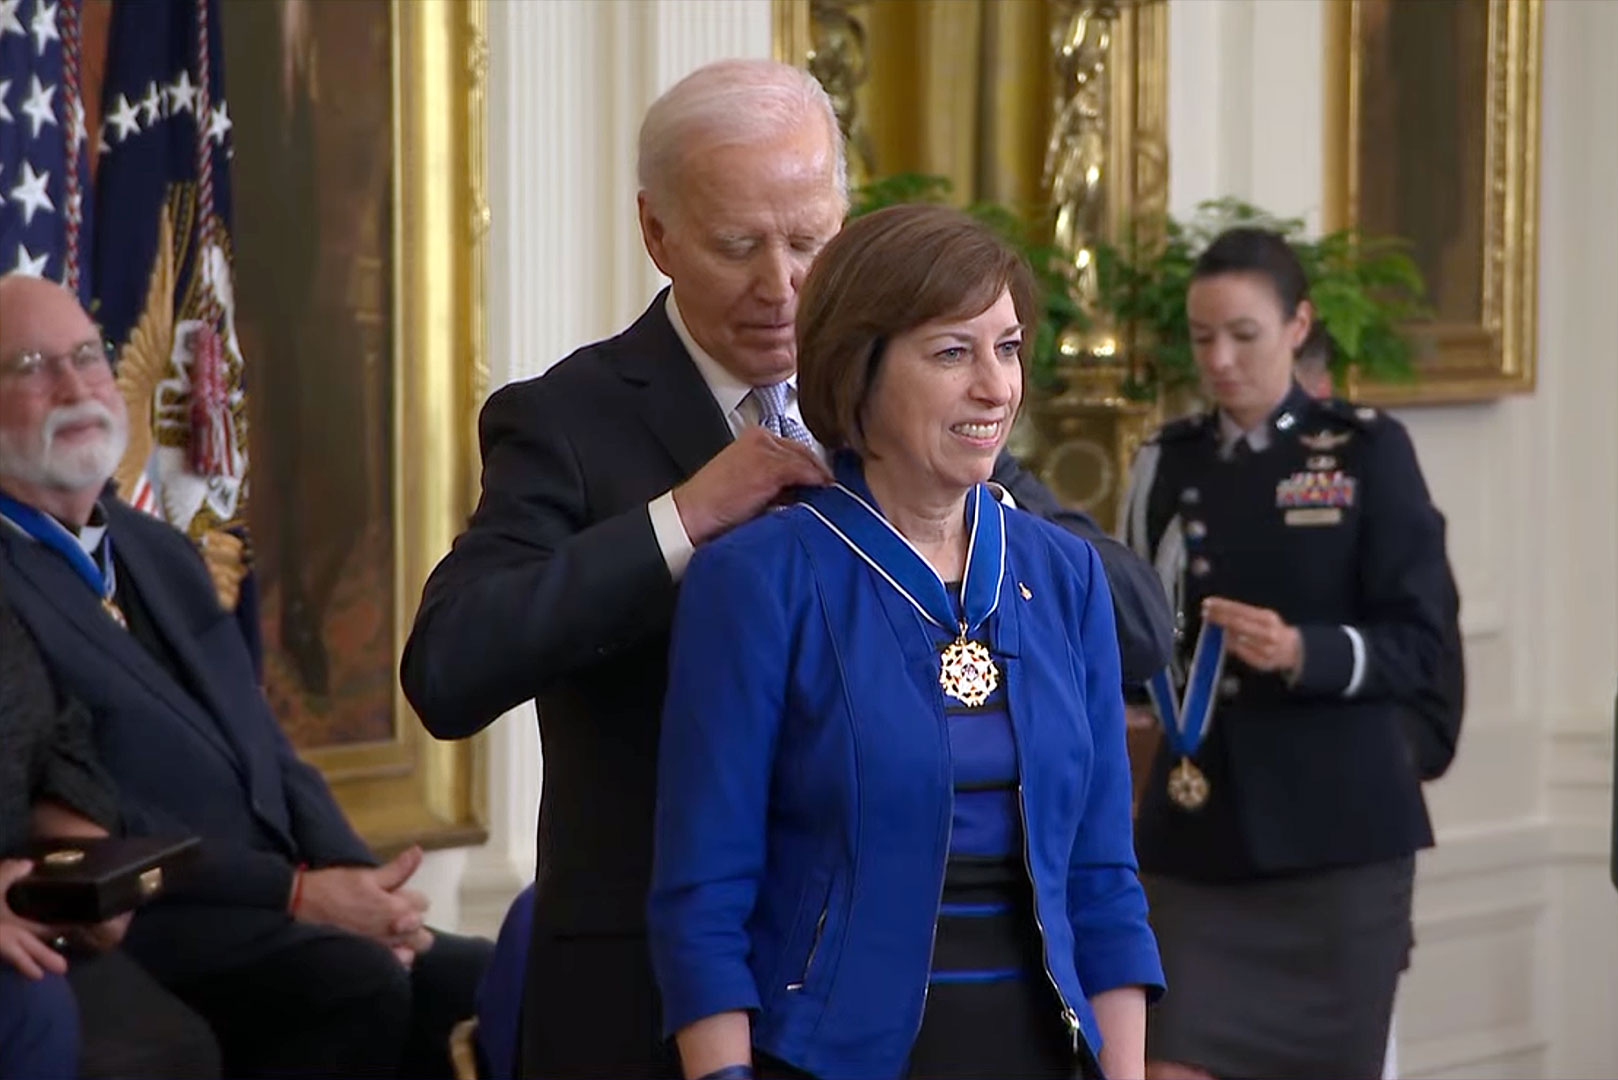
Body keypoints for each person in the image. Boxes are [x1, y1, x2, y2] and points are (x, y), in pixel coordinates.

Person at [400, 58, 1172, 1077]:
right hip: (639, 990)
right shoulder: (571, 420)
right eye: (737, 246)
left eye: (810, 241)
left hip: (893, 1000)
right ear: (656, 233)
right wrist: (683, 518)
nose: (782, 285)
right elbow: (450, 666)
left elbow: (1130, 621)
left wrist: (954, 486)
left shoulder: (918, 389)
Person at [649, 203, 1162, 1080]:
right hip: (828, 1055)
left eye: (1008, 347)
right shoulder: (758, 580)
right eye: (952, 353)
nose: (996, 387)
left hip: (1045, 1051)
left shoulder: (1068, 575)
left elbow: (1103, 881)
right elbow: (704, 892)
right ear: (860, 369)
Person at [0, 274, 492, 1078]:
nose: (75, 386)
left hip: (272, 902)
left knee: (481, 977)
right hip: (155, 916)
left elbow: (266, 747)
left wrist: (363, 887)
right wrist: (298, 897)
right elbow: (95, 810)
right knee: (351, 984)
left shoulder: (156, 547)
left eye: (88, 356)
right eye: (31, 365)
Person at [1118, 228, 1464, 1080]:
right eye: (1203, 338)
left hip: (1336, 835)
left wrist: (1301, 650)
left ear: (1298, 324)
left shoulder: (1365, 452)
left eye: (1244, 334)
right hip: (1201, 829)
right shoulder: (1167, 461)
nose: (1221, 360)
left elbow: (1421, 646)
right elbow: (1134, 623)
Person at [0, 587, 220, 1080]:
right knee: (39, 1010)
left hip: (24, 902)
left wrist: (86, 868)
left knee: (174, 1048)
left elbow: (53, 732)